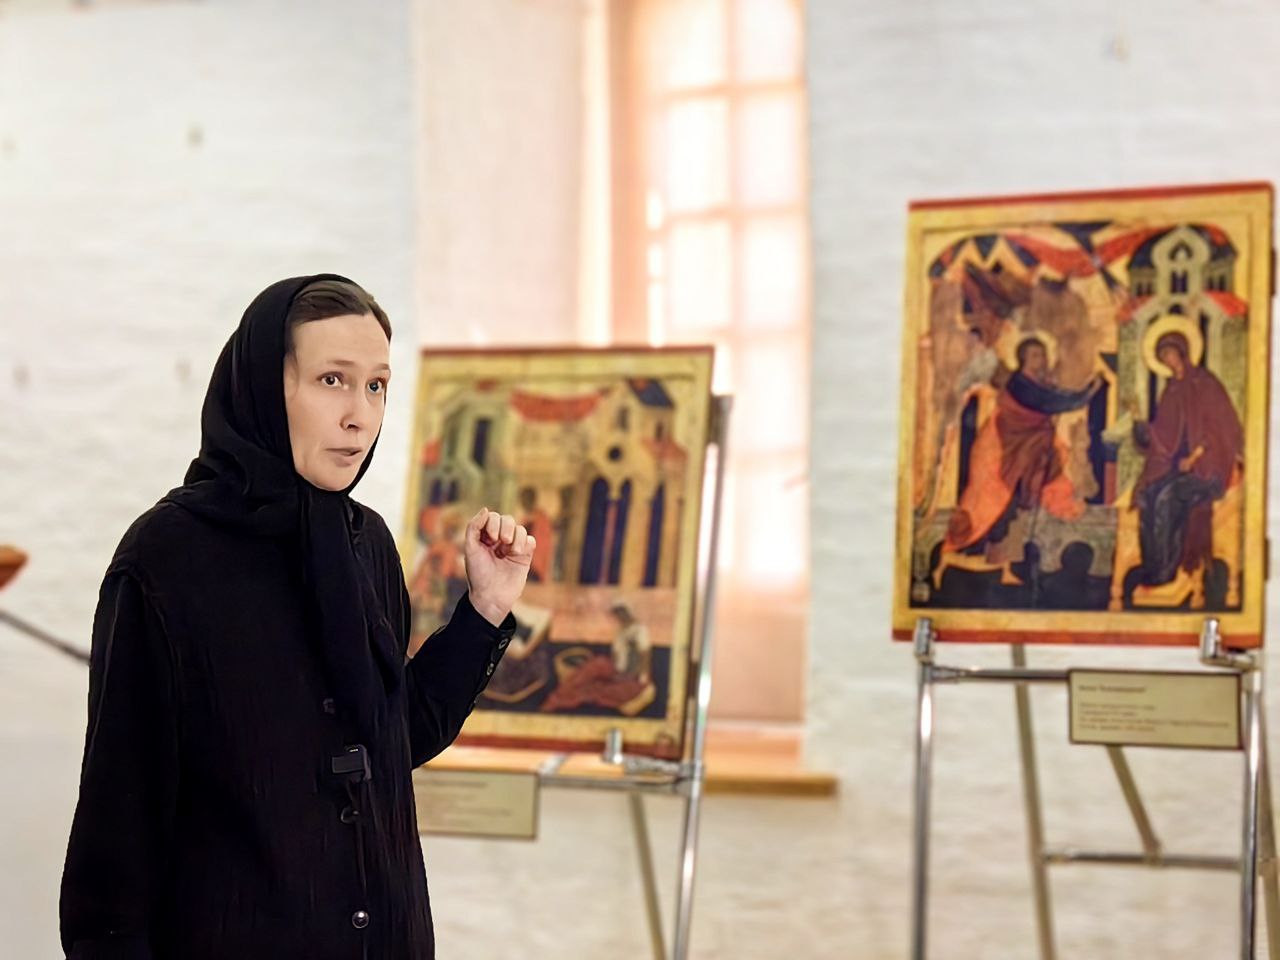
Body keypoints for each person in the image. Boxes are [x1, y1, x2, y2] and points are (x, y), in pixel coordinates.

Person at [59, 275, 537, 959]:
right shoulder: (166, 559)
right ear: (263, 386)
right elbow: (120, 821)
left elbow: (391, 740)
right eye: (331, 380)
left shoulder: (366, 544)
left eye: (376, 386)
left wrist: (484, 610)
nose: (360, 416)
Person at [1132, 330, 1242, 602]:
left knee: (1168, 497)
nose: (1167, 360)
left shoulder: (1205, 383)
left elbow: (1220, 429)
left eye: (1170, 353)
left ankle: (1168, 574)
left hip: (1208, 469)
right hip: (1178, 468)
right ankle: (1152, 570)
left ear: (1182, 351)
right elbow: (1163, 436)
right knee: (1148, 495)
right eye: (1162, 356)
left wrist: (1193, 459)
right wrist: (1141, 426)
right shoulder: (1171, 390)